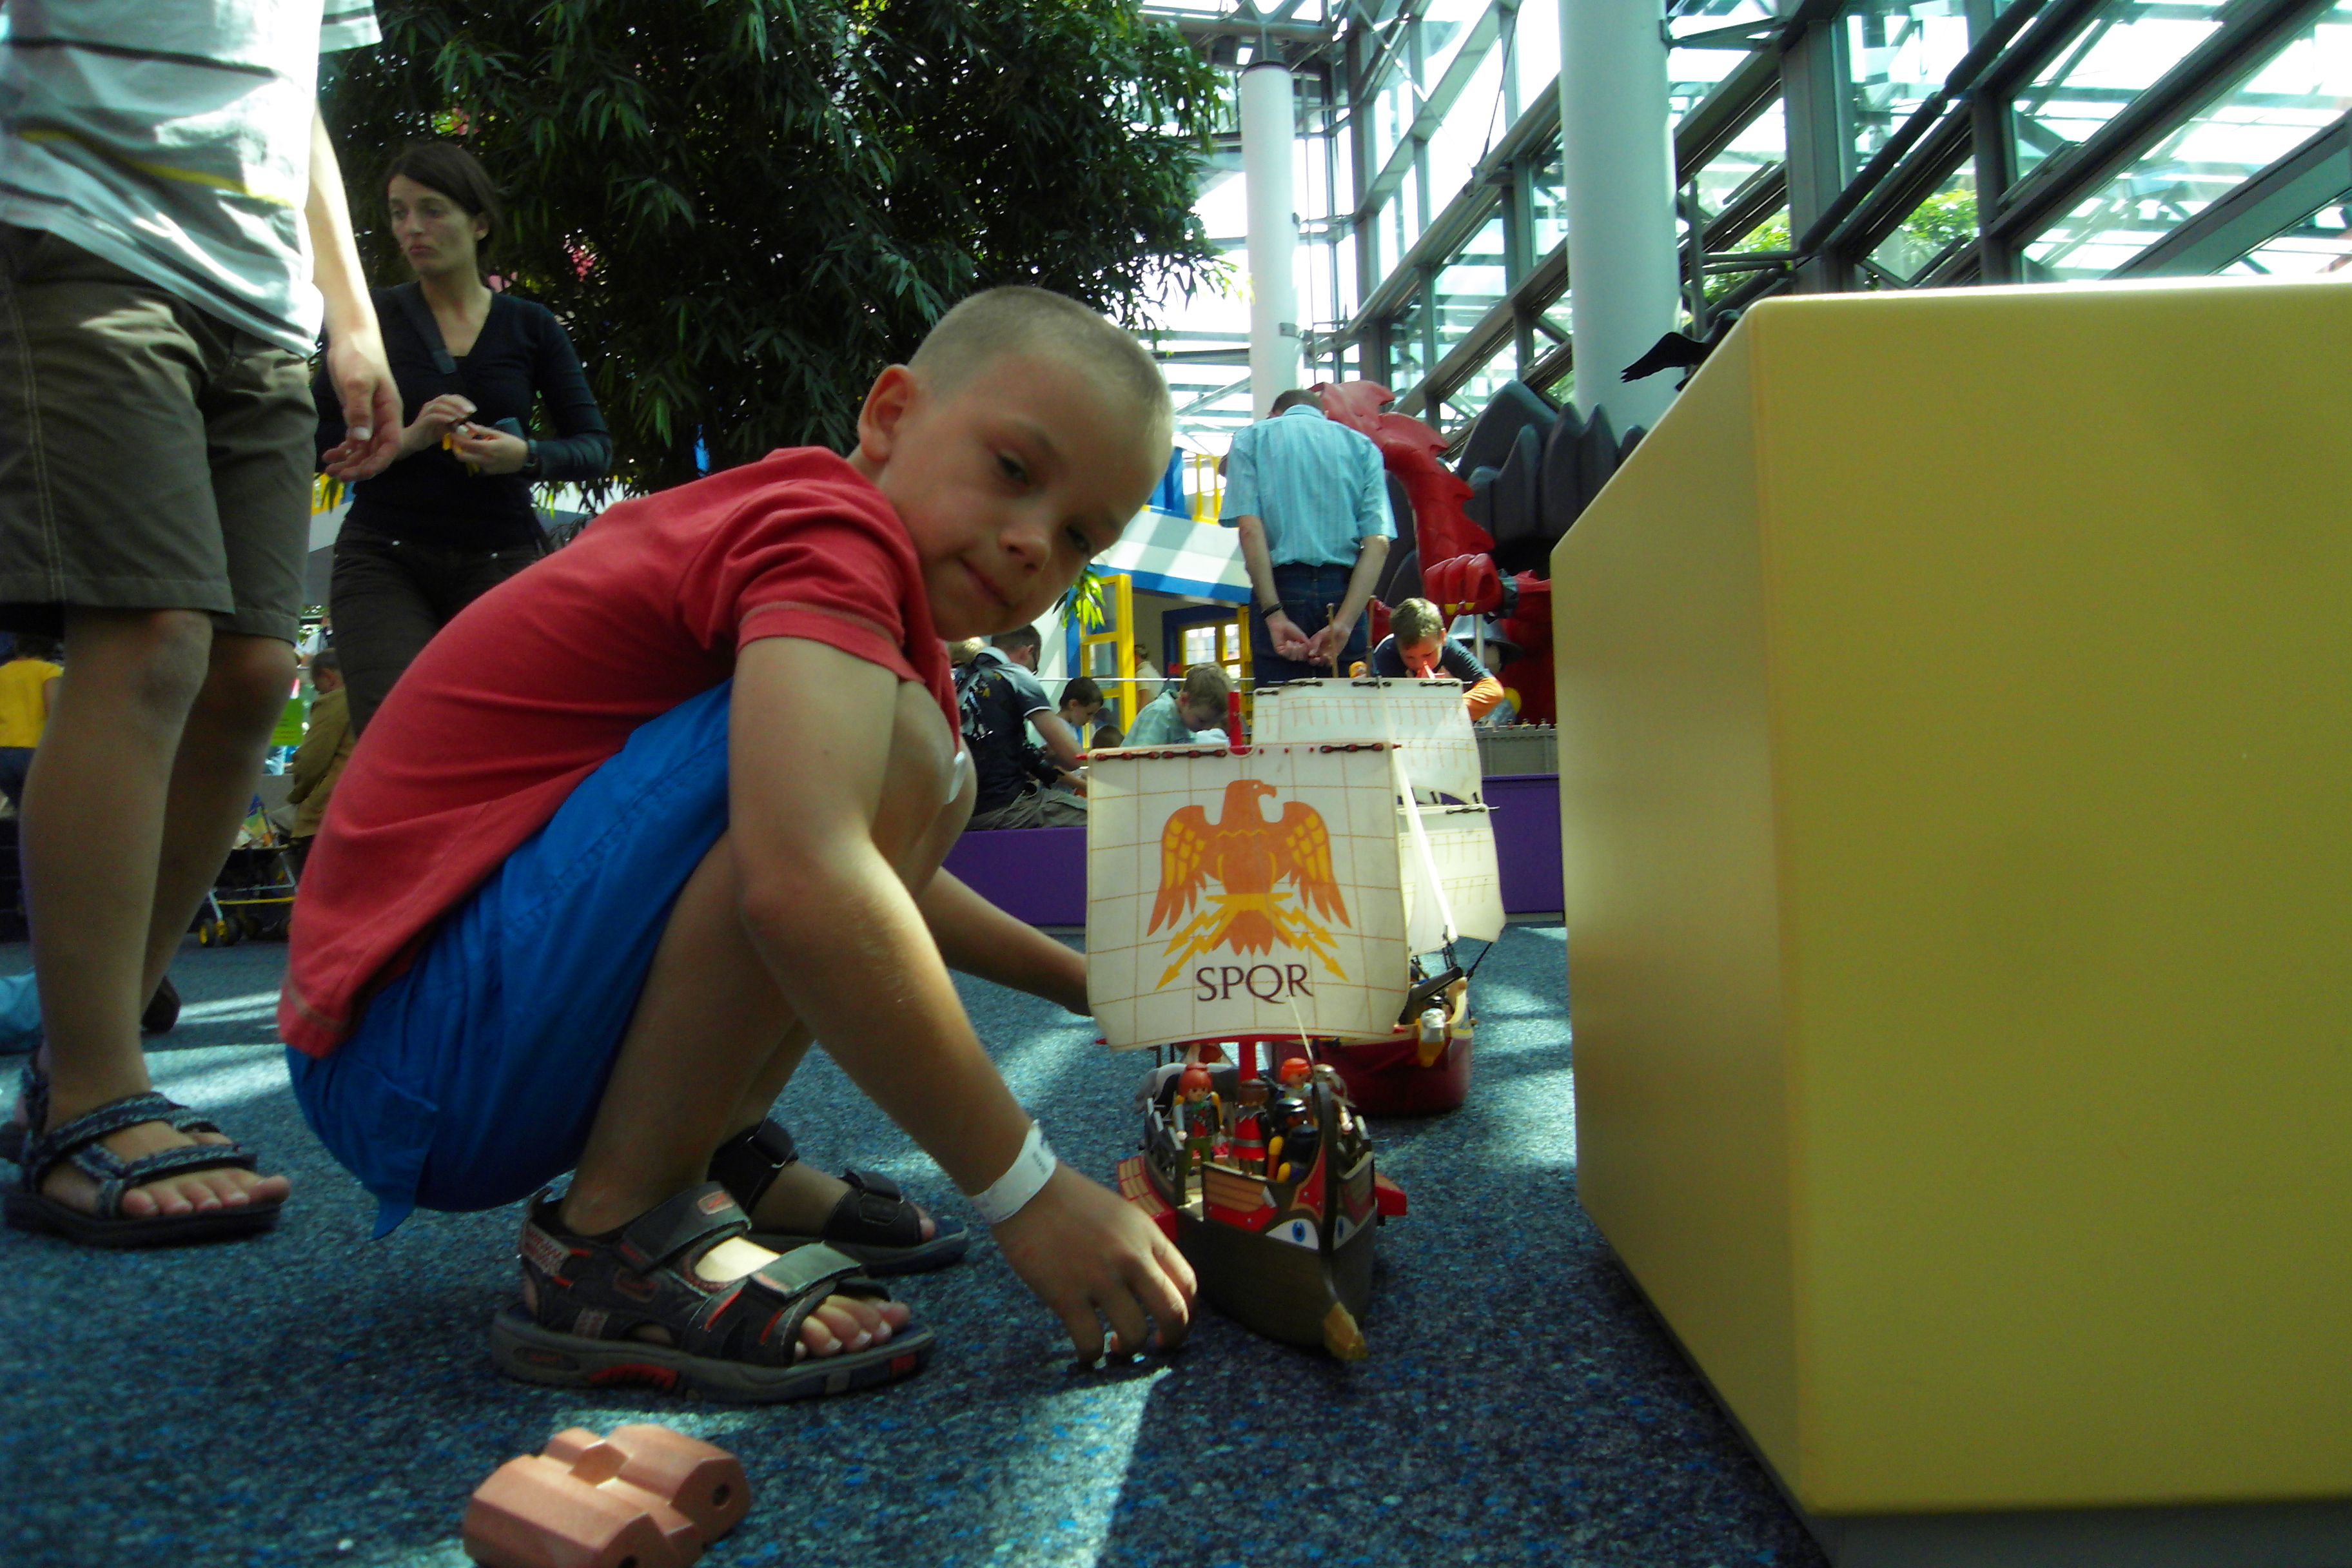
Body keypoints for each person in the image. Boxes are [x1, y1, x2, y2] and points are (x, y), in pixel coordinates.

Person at [279, 286, 1191, 1400]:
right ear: (889, 415)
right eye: (1012, 469)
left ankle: (714, 1152)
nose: (1031, 541)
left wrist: (1087, 984)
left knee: (927, 761)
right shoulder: (827, 532)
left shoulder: (843, 580)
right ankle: (618, 1227)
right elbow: (808, 879)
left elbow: (870, 877)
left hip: (445, 1036)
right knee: (909, 746)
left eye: (1080, 537)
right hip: (406, 1050)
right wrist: (1026, 1187)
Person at [0, 4, 401, 1247]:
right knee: (152, 638)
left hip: (263, 305)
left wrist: (349, 312)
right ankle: (97, 1088)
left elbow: (293, 91)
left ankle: (73, 1060)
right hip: (79, 237)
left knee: (249, 671)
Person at [318, 141, 612, 733]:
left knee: (491, 741)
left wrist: (524, 456)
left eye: (432, 210)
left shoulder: (530, 325)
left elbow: (594, 448)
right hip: (383, 557)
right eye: (399, 212)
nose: (412, 228)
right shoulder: (369, 320)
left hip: (500, 558)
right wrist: (409, 438)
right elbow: (319, 447)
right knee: (397, 734)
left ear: (479, 223)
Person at [1220, 387, 1393, 684]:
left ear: (1273, 415)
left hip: (1280, 587)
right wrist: (1345, 623)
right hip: (1344, 590)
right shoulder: (1363, 447)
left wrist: (1274, 614)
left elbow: (1250, 530)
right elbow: (1378, 544)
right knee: (1349, 707)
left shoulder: (1251, 439)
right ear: (1324, 415)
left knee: (1282, 706)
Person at [963, 623, 1089, 829]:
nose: (1032, 673)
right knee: (1104, 818)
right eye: (1035, 667)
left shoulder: (957, 677)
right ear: (1028, 651)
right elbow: (1075, 758)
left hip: (958, 815)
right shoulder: (1014, 675)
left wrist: (1043, 760)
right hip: (1005, 809)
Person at [1369, 596, 1505, 720]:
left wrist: (1446, 707)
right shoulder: (1387, 654)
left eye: (1428, 655)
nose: (1420, 664)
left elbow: (1493, 689)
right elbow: (1378, 708)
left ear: (1443, 637)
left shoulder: (1449, 648)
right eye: (1410, 657)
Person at [286, 649, 354, 863]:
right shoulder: (380, 695)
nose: (318, 694)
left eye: (318, 688)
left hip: (328, 812)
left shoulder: (336, 700)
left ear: (328, 677)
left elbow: (311, 762)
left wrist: (297, 795)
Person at [0, 633, 63, 808]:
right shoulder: (48, 671)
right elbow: (53, 710)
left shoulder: (2, 672)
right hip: (34, 753)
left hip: (3, 754)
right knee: (43, 809)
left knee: (21, 808)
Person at [1126, 663, 1231, 747]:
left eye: (1212, 723)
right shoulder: (1159, 713)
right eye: (1201, 721)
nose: (1207, 728)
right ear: (1184, 700)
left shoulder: (1187, 720)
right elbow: (1143, 758)